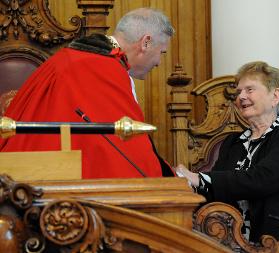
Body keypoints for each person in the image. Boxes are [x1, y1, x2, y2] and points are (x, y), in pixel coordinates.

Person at [0, 8, 175, 178]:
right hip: (50, 177)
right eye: (162, 52)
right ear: (146, 42)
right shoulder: (106, 70)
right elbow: (129, 153)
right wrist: (168, 176)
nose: (159, 61)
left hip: (22, 173)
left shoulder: (69, 57)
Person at [175, 61, 279, 242]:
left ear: (275, 96)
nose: (241, 97)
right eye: (238, 91)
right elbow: (217, 190)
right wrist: (184, 188)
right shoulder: (232, 143)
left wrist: (198, 178)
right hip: (232, 242)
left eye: (249, 90)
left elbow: (262, 179)